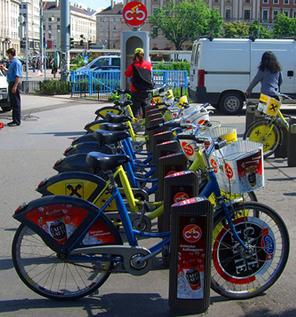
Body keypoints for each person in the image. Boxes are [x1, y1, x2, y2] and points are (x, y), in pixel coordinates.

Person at [125, 48, 153, 118]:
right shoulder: (148, 64)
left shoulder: (133, 65)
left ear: (135, 56)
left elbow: (127, 74)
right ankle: (145, 124)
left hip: (136, 91)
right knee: (145, 109)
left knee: (135, 109)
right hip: (146, 91)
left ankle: (136, 125)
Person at [0, 48, 22, 126]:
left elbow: (17, 76)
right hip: (11, 83)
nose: (7, 56)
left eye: (7, 54)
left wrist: (15, 86)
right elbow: (9, 72)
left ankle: (17, 121)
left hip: (14, 83)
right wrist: (3, 69)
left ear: (10, 54)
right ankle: (14, 120)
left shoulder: (16, 62)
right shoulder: (12, 62)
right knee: (13, 102)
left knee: (16, 103)